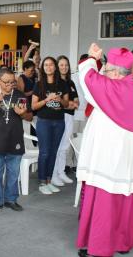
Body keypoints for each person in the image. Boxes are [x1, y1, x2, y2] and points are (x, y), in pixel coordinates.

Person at [76, 44, 133, 257]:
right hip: (127, 157)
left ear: (115, 72)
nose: (103, 73)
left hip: (109, 156)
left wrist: (91, 58)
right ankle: (121, 242)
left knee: (105, 202)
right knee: (124, 198)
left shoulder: (114, 88)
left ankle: (100, 248)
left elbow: (87, 77)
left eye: (105, 70)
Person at [0, 69, 32, 213]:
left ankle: (11, 200)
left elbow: (30, 117)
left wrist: (23, 113)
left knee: (13, 174)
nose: (9, 85)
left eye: (12, 82)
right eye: (6, 82)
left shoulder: (19, 95)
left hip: (15, 141)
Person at [31, 56, 69, 195]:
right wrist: (47, 99)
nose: (48, 67)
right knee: (45, 152)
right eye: (46, 65)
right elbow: (33, 106)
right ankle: (42, 182)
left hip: (59, 122)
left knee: (53, 152)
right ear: (43, 68)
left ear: (55, 67)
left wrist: (60, 99)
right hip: (44, 122)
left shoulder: (62, 84)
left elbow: (67, 104)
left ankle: (49, 180)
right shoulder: (39, 84)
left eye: (51, 65)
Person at [51, 55, 79, 186]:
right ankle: (53, 174)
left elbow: (76, 101)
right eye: (61, 65)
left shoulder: (70, 82)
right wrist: (69, 104)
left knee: (65, 146)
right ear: (57, 66)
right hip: (59, 116)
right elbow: (61, 102)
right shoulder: (54, 82)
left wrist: (72, 103)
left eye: (66, 65)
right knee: (57, 146)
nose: (64, 67)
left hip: (70, 116)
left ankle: (61, 172)